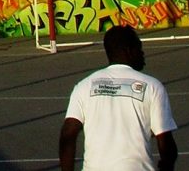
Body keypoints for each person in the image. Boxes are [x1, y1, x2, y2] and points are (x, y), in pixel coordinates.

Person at [58, 24, 177, 171]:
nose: (142, 53)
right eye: (139, 48)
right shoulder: (152, 86)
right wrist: (167, 164)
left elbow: (68, 134)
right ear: (128, 51)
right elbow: (165, 142)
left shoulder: (84, 86)